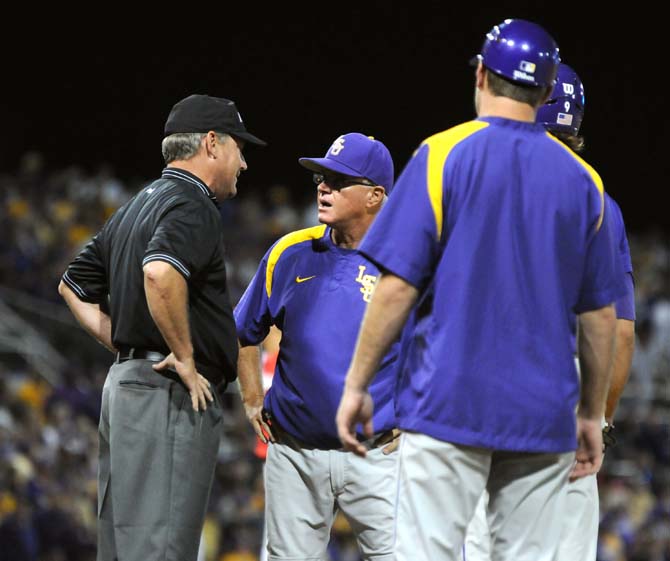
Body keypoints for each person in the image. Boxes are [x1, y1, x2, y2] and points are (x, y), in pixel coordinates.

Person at [335, 18, 627, 561]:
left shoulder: (442, 153)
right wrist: (591, 414)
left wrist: (357, 384)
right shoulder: (585, 182)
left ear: (480, 76)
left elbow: (397, 287)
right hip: (542, 414)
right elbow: (601, 317)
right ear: (544, 92)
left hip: (445, 401)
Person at [58, 93, 266, 561]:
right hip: (168, 392)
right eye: (239, 148)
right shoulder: (194, 202)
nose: (245, 163)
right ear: (211, 144)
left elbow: (71, 287)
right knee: (160, 549)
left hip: (129, 385)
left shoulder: (137, 204)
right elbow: (159, 271)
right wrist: (185, 357)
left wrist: (122, 342)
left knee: (124, 546)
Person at [461, 62, 637, 561]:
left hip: (478, 387)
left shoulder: (474, 181)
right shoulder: (597, 198)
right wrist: (598, 421)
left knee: (478, 544)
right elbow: (619, 333)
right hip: (566, 395)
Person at [234, 132, 399, 561]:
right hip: (294, 453)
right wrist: (252, 398)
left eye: (339, 180)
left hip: (379, 454)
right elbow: (242, 332)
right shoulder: (291, 252)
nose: (324, 187)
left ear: (375, 196)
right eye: (322, 177)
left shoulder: (410, 263)